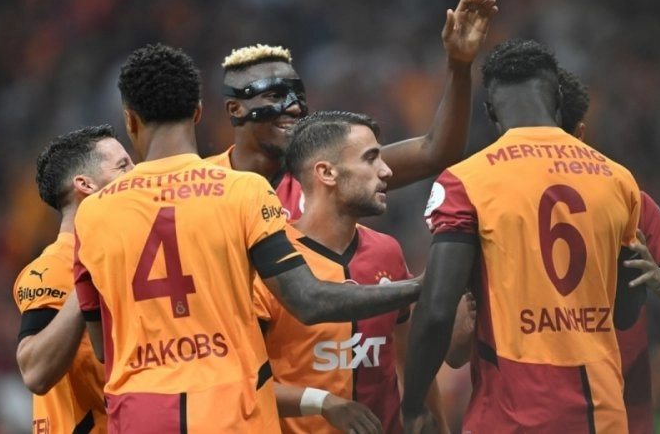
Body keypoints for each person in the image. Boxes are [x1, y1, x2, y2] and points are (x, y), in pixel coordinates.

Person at [73, 44, 426, 433]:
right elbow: (309, 300)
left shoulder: (93, 213)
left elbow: (103, 347)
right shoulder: (244, 190)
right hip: (229, 411)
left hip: (142, 413)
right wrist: (417, 287)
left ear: (130, 119)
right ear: (198, 112)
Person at [401, 38, 641, 433]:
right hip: (602, 413)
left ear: (490, 112)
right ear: (558, 99)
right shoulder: (618, 180)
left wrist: (413, 404)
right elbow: (627, 311)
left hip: (510, 415)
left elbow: (438, 308)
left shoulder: (467, 181)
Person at [207, 0, 499, 217]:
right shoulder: (198, 185)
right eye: (275, 96)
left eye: (298, 96)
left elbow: (436, 152)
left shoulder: (325, 177)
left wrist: (459, 66)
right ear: (236, 108)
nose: (294, 108)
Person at [253, 110, 450, 434]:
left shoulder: (387, 251)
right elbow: (244, 383)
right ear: (326, 172)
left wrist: (438, 425)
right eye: (371, 159)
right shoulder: (270, 263)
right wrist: (323, 402)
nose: (386, 171)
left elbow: (410, 357)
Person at [559, 67, 660, 434]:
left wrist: (659, 280)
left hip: (622, 410)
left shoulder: (633, 202)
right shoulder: (503, 208)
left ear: (580, 134)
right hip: (536, 408)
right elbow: (456, 353)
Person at [13, 124, 134, 433]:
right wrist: (86, 281)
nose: (136, 175)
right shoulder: (53, 268)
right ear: (85, 184)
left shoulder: (127, 258)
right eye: (123, 166)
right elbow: (35, 371)